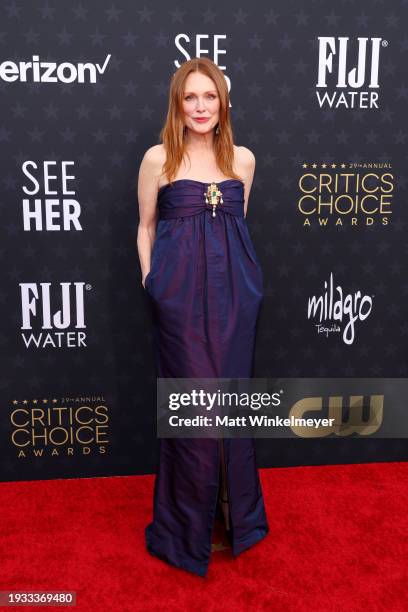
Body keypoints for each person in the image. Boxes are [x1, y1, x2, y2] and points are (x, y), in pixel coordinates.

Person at [137, 57, 269, 577]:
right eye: (190, 97)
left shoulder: (244, 159)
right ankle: (182, 530)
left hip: (237, 293)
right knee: (193, 410)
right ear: (177, 103)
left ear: (223, 102)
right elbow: (145, 227)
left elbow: (237, 227)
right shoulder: (157, 160)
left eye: (209, 97)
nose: (200, 107)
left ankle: (238, 517)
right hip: (179, 298)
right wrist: (152, 281)